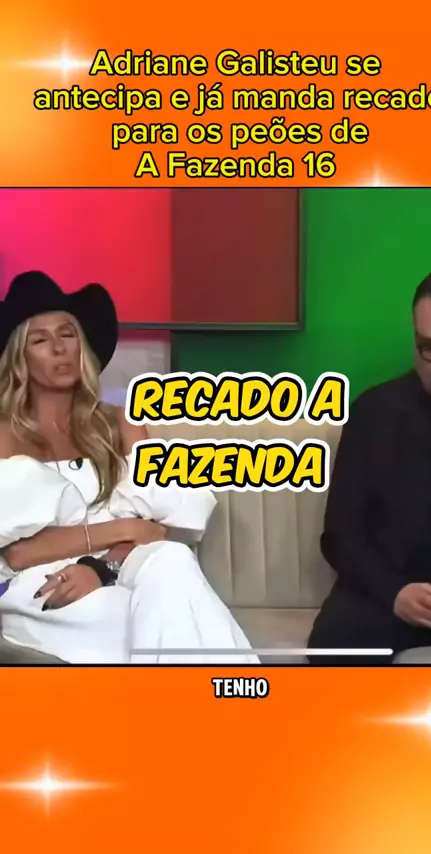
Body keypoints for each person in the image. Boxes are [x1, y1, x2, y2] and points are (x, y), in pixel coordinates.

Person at [0, 270, 259, 665]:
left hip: (117, 562)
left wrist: (101, 566)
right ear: (20, 358)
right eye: (40, 340)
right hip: (42, 579)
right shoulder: (5, 433)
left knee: (172, 562)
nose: (59, 348)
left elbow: (153, 527)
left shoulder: (121, 422)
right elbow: (19, 553)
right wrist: (123, 529)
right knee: (156, 618)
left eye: (68, 334)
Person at [308, 265, 431, 665]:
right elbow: (340, 535)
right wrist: (394, 593)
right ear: (415, 340)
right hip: (391, 592)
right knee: (333, 646)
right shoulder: (374, 412)